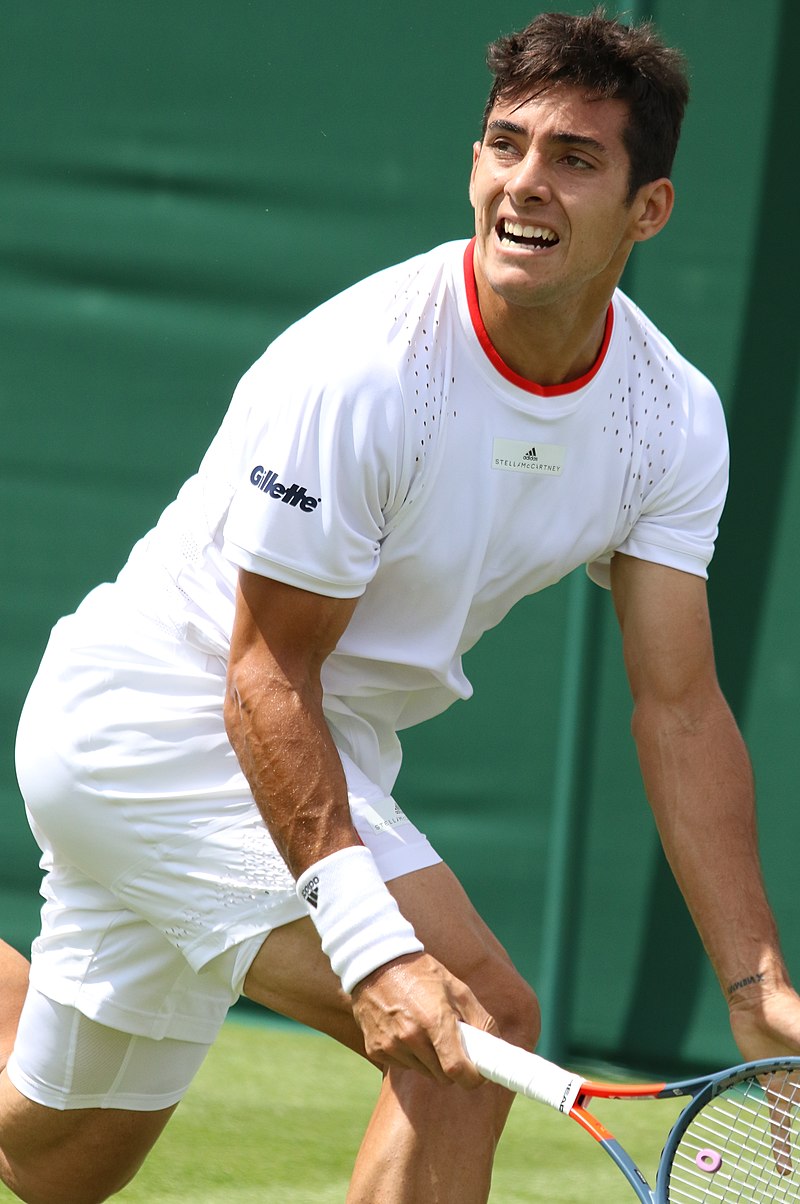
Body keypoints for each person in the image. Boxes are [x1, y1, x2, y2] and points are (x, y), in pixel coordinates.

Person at [2, 8, 799, 1203]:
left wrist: (752, 983)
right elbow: (263, 674)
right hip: (159, 725)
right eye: (504, 145)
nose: (524, 183)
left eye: (573, 158)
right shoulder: (367, 368)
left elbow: (678, 706)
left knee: (54, 1164)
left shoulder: (669, 418)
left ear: (648, 209)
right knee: (471, 1023)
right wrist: (371, 945)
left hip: (304, 749)